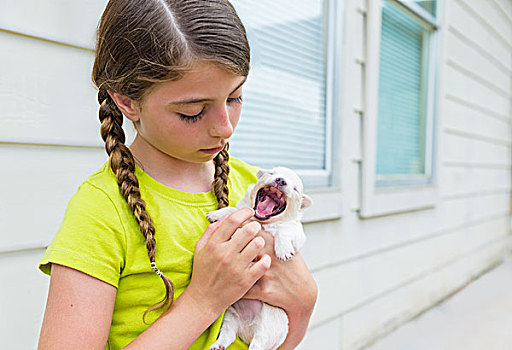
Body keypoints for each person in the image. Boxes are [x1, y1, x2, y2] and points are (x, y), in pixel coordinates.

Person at [37, 0, 317, 349]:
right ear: (126, 102)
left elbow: (280, 332)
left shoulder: (252, 187)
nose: (225, 128)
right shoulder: (100, 212)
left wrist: (304, 301)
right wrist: (203, 301)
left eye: (235, 97)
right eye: (193, 111)